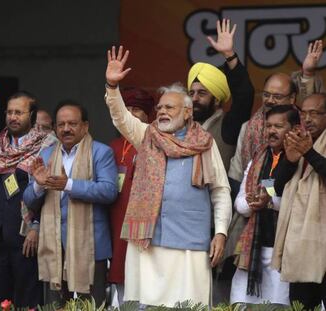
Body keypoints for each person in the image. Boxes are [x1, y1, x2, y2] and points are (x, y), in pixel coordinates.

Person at [104, 46, 231, 307]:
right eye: (160, 107)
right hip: (146, 241)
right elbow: (121, 118)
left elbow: (220, 191)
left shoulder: (205, 143)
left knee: (189, 305)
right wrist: (112, 86)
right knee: (145, 304)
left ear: (187, 112)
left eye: (169, 107)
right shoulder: (147, 136)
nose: (162, 111)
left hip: (188, 245)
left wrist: (220, 232)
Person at [23, 100, 117, 307]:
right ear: (55, 128)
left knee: (92, 305)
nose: (66, 129)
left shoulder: (101, 152)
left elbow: (109, 191)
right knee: (54, 305)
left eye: (72, 124)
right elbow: (29, 200)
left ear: (85, 126)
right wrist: (39, 185)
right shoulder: (46, 154)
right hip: (53, 245)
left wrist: (69, 185)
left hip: (90, 246)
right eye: (61, 124)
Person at [0, 91, 47, 307]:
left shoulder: (46, 146)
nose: (13, 117)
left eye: (19, 112)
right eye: (9, 112)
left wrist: (36, 226)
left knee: (26, 301)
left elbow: (53, 195)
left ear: (32, 115)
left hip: (26, 237)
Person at [230, 105, 299, 305]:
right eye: (268, 126)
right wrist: (254, 203)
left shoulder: (301, 160)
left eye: (278, 126)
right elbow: (240, 204)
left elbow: (299, 204)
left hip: (283, 251)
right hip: (253, 250)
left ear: (294, 128)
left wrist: (267, 200)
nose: (271, 131)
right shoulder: (258, 159)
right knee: (240, 304)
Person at [272, 93, 326, 310]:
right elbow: (275, 186)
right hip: (300, 244)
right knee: (300, 306)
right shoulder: (297, 141)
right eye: (304, 113)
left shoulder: (306, 146)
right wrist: (290, 161)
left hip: (322, 241)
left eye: (315, 113)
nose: (308, 119)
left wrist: (309, 153)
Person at [188, 19, 254, 171]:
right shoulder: (182, 126)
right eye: (191, 93)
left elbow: (244, 95)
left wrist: (229, 55)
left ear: (217, 99)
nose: (194, 99)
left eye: (202, 93)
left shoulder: (228, 125)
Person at [108, 87, 154, 305]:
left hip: (140, 221)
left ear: (148, 115)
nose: (133, 114)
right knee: (118, 273)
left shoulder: (153, 142)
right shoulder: (111, 147)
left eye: (138, 110)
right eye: (129, 108)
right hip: (114, 217)